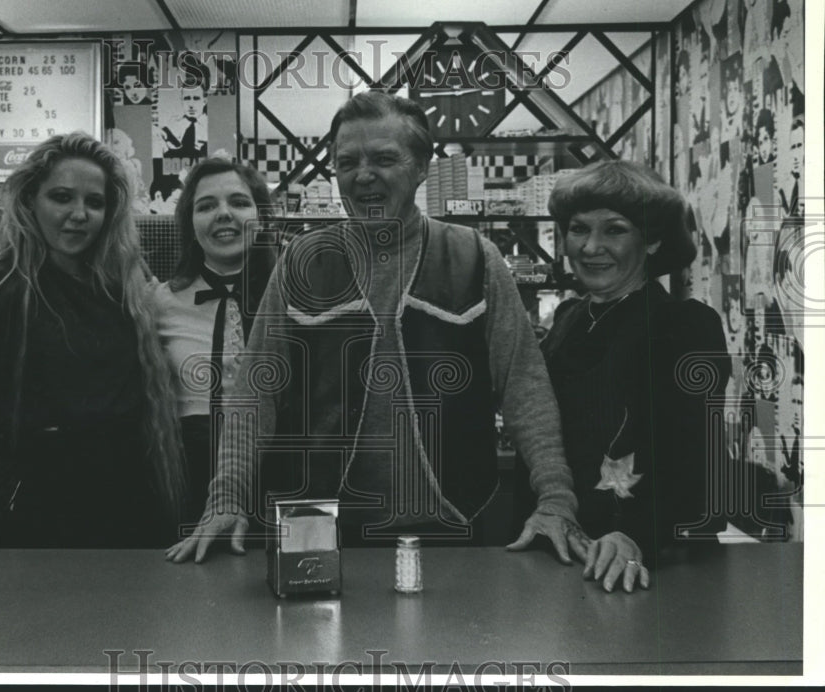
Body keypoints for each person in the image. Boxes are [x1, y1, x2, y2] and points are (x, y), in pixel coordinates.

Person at [167, 91, 582, 564]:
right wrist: (226, 499)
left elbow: (524, 385)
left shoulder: (473, 256)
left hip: (453, 520)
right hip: (319, 525)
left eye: (384, 158)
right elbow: (254, 392)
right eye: (347, 162)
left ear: (422, 165)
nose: (363, 175)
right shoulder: (303, 261)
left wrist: (556, 499)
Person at [0, 132, 186, 547]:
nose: (79, 214)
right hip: (43, 517)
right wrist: (15, 493)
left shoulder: (125, 286)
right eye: (61, 197)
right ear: (31, 200)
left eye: (95, 202)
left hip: (134, 508)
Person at [513, 160, 730, 592]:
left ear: (651, 241)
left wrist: (635, 534)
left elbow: (693, 456)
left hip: (654, 556)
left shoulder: (684, 324)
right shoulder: (570, 318)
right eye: (578, 229)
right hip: (570, 550)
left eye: (614, 230)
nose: (591, 247)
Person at [152, 157, 277, 525]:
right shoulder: (156, 301)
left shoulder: (295, 298)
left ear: (263, 218)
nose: (223, 214)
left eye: (239, 203)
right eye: (206, 206)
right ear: (190, 225)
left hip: (277, 471)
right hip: (187, 475)